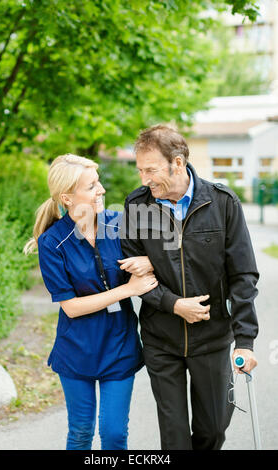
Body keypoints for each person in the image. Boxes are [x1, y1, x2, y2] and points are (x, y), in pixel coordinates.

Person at [120, 124, 259, 450]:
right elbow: (132, 273)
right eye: (140, 170)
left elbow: (243, 274)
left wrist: (246, 340)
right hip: (161, 338)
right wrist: (173, 304)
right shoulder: (137, 205)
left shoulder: (223, 203)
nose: (144, 179)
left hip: (211, 338)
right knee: (175, 439)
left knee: (213, 430)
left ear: (178, 163)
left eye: (151, 170)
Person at [24, 153, 157, 450]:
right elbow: (70, 306)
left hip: (119, 347)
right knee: (82, 432)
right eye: (91, 186)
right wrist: (127, 291)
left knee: (113, 434)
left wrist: (148, 260)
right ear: (67, 198)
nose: (102, 190)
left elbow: (163, 255)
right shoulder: (52, 243)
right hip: (76, 352)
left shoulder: (120, 224)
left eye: (99, 183)